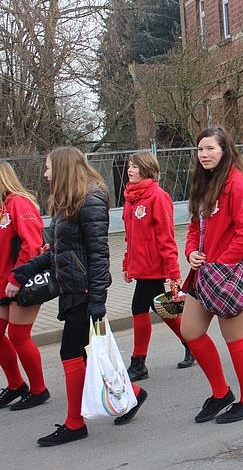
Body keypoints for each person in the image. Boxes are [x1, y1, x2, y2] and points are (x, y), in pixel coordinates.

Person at [10, 147, 147, 446]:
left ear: (63, 168)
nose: (45, 174)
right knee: (87, 354)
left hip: (84, 292)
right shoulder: (67, 201)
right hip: (71, 288)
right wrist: (23, 272)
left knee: (70, 354)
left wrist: (97, 299)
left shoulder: (91, 200)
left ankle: (75, 424)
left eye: (48, 168)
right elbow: (58, 252)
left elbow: (99, 256)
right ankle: (133, 395)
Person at [182, 126, 243, 424]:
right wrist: (191, 252)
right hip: (203, 272)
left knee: (234, 337)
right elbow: (193, 226)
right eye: (200, 149)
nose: (204, 155)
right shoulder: (203, 183)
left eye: (210, 149)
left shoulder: (239, 184)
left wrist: (221, 264)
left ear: (225, 150)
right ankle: (220, 394)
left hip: (233, 272)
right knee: (190, 332)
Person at [122, 151, 194, 382]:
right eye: (129, 166)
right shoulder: (130, 197)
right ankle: (191, 342)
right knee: (161, 309)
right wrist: (126, 263)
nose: (129, 170)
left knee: (139, 308)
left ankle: (138, 362)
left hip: (154, 266)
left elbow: (166, 237)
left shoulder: (157, 196)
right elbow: (129, 236)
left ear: (145, 168)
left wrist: (173, 274)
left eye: (134, 166)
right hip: (140, 265)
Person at [0, 162, 49, 411]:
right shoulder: (3, 206)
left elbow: (31, 245)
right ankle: (16, 384)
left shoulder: (18, 203)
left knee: (19, 336)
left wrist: (16, 278)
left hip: (20, 282)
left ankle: (38, 389)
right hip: (3, 283)